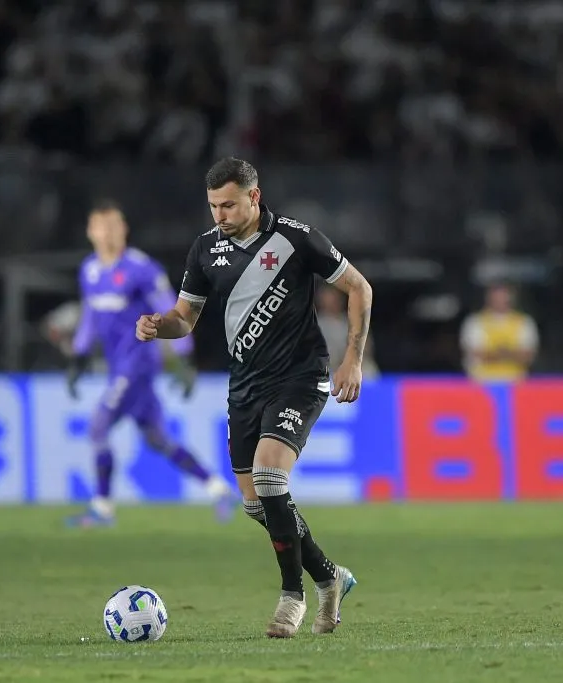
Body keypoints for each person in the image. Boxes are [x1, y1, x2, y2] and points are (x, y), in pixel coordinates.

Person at [135, 158, 374, 638]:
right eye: (213, 206)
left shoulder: (296, 238)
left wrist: (353, 358)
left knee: (269, 475)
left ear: (254, 196)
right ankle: (330, 576)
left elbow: (358, 287)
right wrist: (160, 326)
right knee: (256, 503)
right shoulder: (205, 250)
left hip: (301, 378)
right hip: (244, 385)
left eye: (228, 205)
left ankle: (293, 597)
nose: (219, 215)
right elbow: (186, 317)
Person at [65, 200, 237, 527]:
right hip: (119, 366)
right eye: (102, 227)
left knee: (99, 427)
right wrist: (79, 355)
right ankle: (218, 489)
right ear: (90, 232)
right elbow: (90, 316)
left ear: (124, 229)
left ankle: (102, 510)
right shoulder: (89, 270)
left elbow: (171, 310)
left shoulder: (141, 269)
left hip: (139, 363)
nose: (108, 233)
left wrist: (185, 357)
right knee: (158, 439)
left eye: (114, 226)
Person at [459, 282, 539, 382]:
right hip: (482, 383)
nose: (500, 300)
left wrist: (494, 354)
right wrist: (510, 354)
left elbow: (527, 355)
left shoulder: (524, 322)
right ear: (488, 298)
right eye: (497, 296)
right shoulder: (474, 322)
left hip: (516, 382)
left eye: (504, 296)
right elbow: (476, 354)